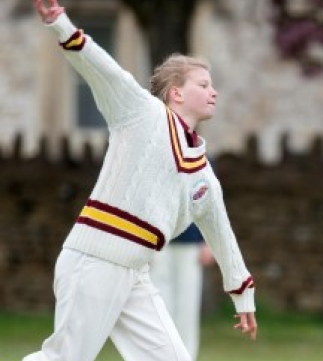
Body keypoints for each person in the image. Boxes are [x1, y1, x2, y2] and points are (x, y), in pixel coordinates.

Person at [26, 1, 257, 361]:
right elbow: (104, 71)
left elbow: (222, 236)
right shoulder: (140, 113)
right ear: (176, 93)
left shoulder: (204, 177)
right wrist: (62, 26)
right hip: (94, 260)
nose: (214, 92)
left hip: (135, 274)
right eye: (204, 84)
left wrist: (243, 296)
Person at [151, 223, 215, 361]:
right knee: (159, 304)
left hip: (190, 241)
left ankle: (186, 357)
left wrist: (208, 240)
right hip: (158, 241)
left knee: (187, 304)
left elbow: (207, 204)